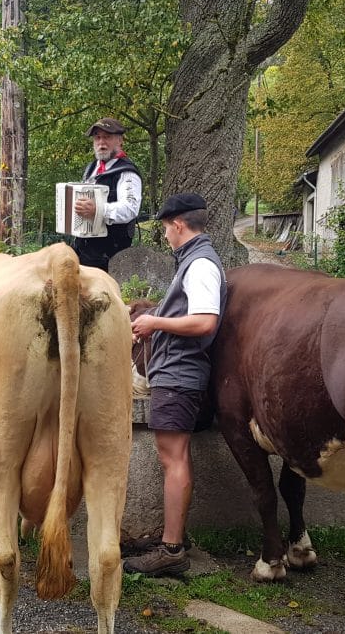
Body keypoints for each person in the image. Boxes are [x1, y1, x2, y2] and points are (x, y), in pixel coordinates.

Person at [124, 193, 225, 577]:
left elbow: (204, 322)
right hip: (176, 373)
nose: (165, 235)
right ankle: (170, 539)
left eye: (166, 228)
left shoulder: (200, 264)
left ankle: (171, 549)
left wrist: (154, 324)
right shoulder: (195, 261)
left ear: (178, 224)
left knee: (174, 459)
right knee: (173, 458)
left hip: (179, 375)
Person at [72, 117, 142, 272]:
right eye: (97, 137)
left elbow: (131, 209)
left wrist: (99, 210)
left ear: (120, 140)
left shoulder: (127, 172)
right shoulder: (91, 168)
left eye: (107, 137)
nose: (101, 143)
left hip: (111, 256)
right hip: (84, 251)